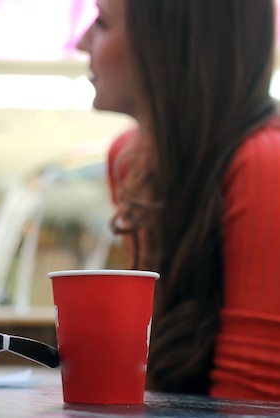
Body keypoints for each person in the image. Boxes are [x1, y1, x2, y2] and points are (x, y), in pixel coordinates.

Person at [77, 0, 280, 400]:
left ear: (170, 44)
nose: (81, 42)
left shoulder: (265, 162)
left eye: (101, 22)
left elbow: (254, 400)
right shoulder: (131, 160)